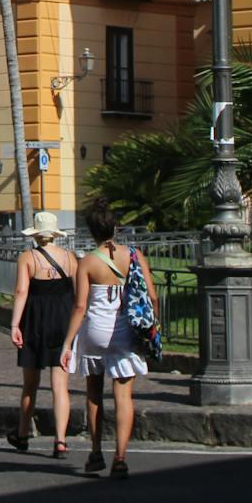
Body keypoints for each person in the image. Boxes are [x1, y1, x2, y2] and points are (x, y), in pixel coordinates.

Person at [62, 198, 156, 479]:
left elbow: (80, 306)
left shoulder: (87, 262)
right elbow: (151, 296)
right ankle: (120, 457)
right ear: (115, 227)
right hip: (124, 330)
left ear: (91, 231)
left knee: (93, 393)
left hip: (94, 330)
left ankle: (95, 452)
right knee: (123, 394)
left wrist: (68, 343)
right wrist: (154, 325)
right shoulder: (134, 256)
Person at [6, 210, 79, 457]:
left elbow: (21, 292)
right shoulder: (70, 258)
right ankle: (60, 440)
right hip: (63, 321)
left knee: (30, 384)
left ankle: (23, 432)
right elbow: (78, 294)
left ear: (35, 234)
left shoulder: (28, 258)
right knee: (60, 385)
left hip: (35, 321)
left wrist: (15, 324)